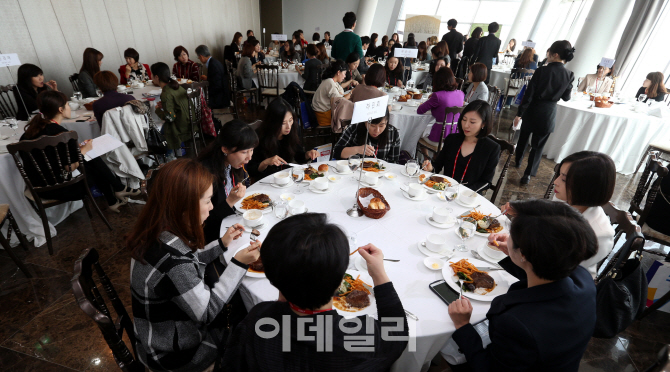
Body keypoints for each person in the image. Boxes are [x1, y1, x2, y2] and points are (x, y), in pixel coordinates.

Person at [223, 213, 408, 371]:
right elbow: (397, 335)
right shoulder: (357, 339)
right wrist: (379, 274)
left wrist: (284, 290)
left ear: (270, 276)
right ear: (339, 283)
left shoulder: (258, 318)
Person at [127, 158, 260, 372]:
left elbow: (189, 258)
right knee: (251, 324)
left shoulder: (157, 232)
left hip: (156, 331)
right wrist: (238, 264)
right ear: (184, 205)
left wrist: (222, 243)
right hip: (175, 354)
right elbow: (207, 312)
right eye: (207, 200)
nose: (212, 207)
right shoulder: (173, 262)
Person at [448, 199, 597, 371]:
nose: (508, 237)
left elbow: (488, 367)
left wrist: (462, 326)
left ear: (525, 253)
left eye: (512, 235)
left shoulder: (517, 324)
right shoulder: (583, 278)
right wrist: (515, 252)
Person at [20, 91, 137, 212]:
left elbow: (51, 158)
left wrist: (78, 150)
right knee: (92, 162)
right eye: (68, 105)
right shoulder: (63, 134)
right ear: (61, 109)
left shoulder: (28, 133)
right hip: (62, 189)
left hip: (38, 187)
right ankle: (117, 190)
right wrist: (84, 150)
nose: (69, 107)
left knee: (88, 157)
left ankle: (116, 195)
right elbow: (70, 167)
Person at [509, 151, 615, 278]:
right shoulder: (563, 199)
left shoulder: (600, 234)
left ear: (586, 186)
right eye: (559, 175)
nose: (555, 182)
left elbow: (562, 273)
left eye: (564, 179)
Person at [514, 40, 575, 185]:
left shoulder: (542, 70)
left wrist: (519, 113)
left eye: (549, 52)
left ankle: (517, 161)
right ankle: (528, 174)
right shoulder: (569, 74)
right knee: (538, 146)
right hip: (549, 113)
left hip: (533, 110)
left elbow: (529, 94)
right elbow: (566, 98)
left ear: (555, 54)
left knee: (523, 138)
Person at [197, 120, 257, 242]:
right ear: (225, 149)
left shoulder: (232, 164)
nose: (249, 157)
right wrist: (230, 201)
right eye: (244, 152)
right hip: (213, 236)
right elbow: (204, 223)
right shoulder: (205, 175)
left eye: (251, 150)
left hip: (232, 222)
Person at [422, 100, 499, 192]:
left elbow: (486, 182)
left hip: (468, 196)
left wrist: (464, 192)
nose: (466, 125)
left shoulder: (491, 148)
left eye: (472, 122)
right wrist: (430, 168)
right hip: (444, 191)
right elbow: (437, 165)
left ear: (483, 124)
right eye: (464, 119)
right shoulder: (452, 139)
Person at [248, 99, 318, 179]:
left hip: (286, 178)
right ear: (272, 122)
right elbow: (251, 170)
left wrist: (307, 154)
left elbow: (298, 155)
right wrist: (265, 163)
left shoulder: (293, 130)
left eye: (290, 120)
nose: (288, 126)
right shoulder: (259, 137)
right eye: (283, 123)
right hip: (265, 180)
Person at [151, 62, 194, 155]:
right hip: (191, 120)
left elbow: (170, 117)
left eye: (152, 75)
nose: (151, 77)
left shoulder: (166, 93)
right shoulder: (176, 86)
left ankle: (169, 156)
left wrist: (158, 110)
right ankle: (177, 151)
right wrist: (165, 105)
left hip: (182, 125)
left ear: (157, 77)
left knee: (160, 130)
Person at [334, 109, 400, 163]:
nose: (377, 130)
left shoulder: (393, 133)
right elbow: (337, 152)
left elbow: (394, 161)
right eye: (372, 125)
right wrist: (358, 149)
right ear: (365, 121)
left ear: (387, 122)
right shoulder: (354, 128)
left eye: (381, 125)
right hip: (355, 171)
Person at [418, 67, 464, 142]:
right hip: (455, 135)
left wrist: (430, 100)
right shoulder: (461, 94)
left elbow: (420, 110)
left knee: (417, 133)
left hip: (439, 136)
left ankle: (427, 154)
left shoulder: (437, 96)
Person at [312, 60, 351, 127]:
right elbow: (339, 101)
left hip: (321, 112)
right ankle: (343, 134)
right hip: (323, 116)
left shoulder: (331, 80)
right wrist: (351, 93)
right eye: (344, 73)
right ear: (338, 72)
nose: (344, 76)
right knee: (349, 116)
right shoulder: (330, 82)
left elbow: (340, 92)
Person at [196, 44, 231, 110]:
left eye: (199, 58)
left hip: (221, 98)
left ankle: (210, 119)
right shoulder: (214, 62)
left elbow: (216, 86)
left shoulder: (213, 65)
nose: (199, 59)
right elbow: (216, 79)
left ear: (201, 56)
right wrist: (207, 78)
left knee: (200, 101)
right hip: (223, 94)